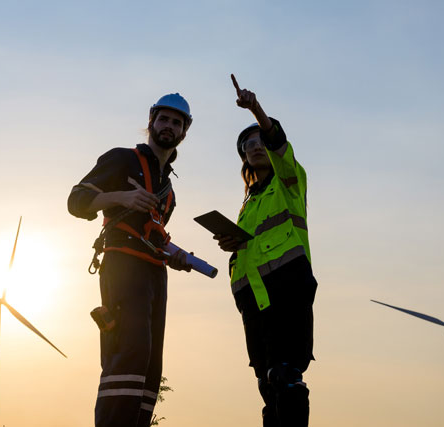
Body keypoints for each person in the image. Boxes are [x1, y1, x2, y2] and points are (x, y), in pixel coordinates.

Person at [68, 93, 193, 427]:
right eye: (164, 119)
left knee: (151, 366)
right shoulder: (121, 159)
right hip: (121, 267)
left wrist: (177, 256)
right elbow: (76, 200)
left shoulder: (169, 190)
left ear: (184, 132)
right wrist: (122, 196)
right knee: (128, 354)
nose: (169, 126)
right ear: (151, 122)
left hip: (155, 274)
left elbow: (154, 235)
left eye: (177, 122)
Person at [214, 75, 318, 427]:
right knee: (266, 384)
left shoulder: (290, 181)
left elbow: (278, 141)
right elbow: (254, 245)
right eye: (248, 145)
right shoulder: (247, 204)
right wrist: (233, 244)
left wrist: (255, 109)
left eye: (259, 141)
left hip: (287, 289)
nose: (255, 146)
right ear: (243, 156)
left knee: (287, 378)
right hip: (253, 299)